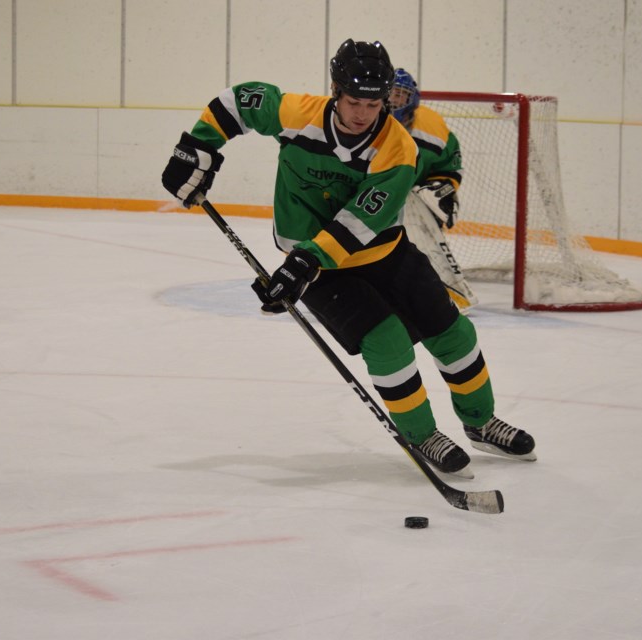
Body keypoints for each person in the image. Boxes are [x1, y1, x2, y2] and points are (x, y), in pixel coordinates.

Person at [161, 39, 536, 475]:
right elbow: (240, 101)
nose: (362, 113)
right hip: (322, 268)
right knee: (388, 342)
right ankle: (421, 434)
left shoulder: (398, 149)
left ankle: (480, 422)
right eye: (354, 101)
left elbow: (360, 219)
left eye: (373, 104)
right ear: (336, 92)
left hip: (379, 251)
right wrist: (197, 147)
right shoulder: (299, 114)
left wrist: (303, 263)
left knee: (453, 333)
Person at [388, 68, 461, 230]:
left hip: (417, 210)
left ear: (412, 99)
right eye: (389, 93)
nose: (392, 100)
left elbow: (449, 167)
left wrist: (439, 189)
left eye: (399, 95)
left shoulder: (432, 128)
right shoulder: (363, 121)